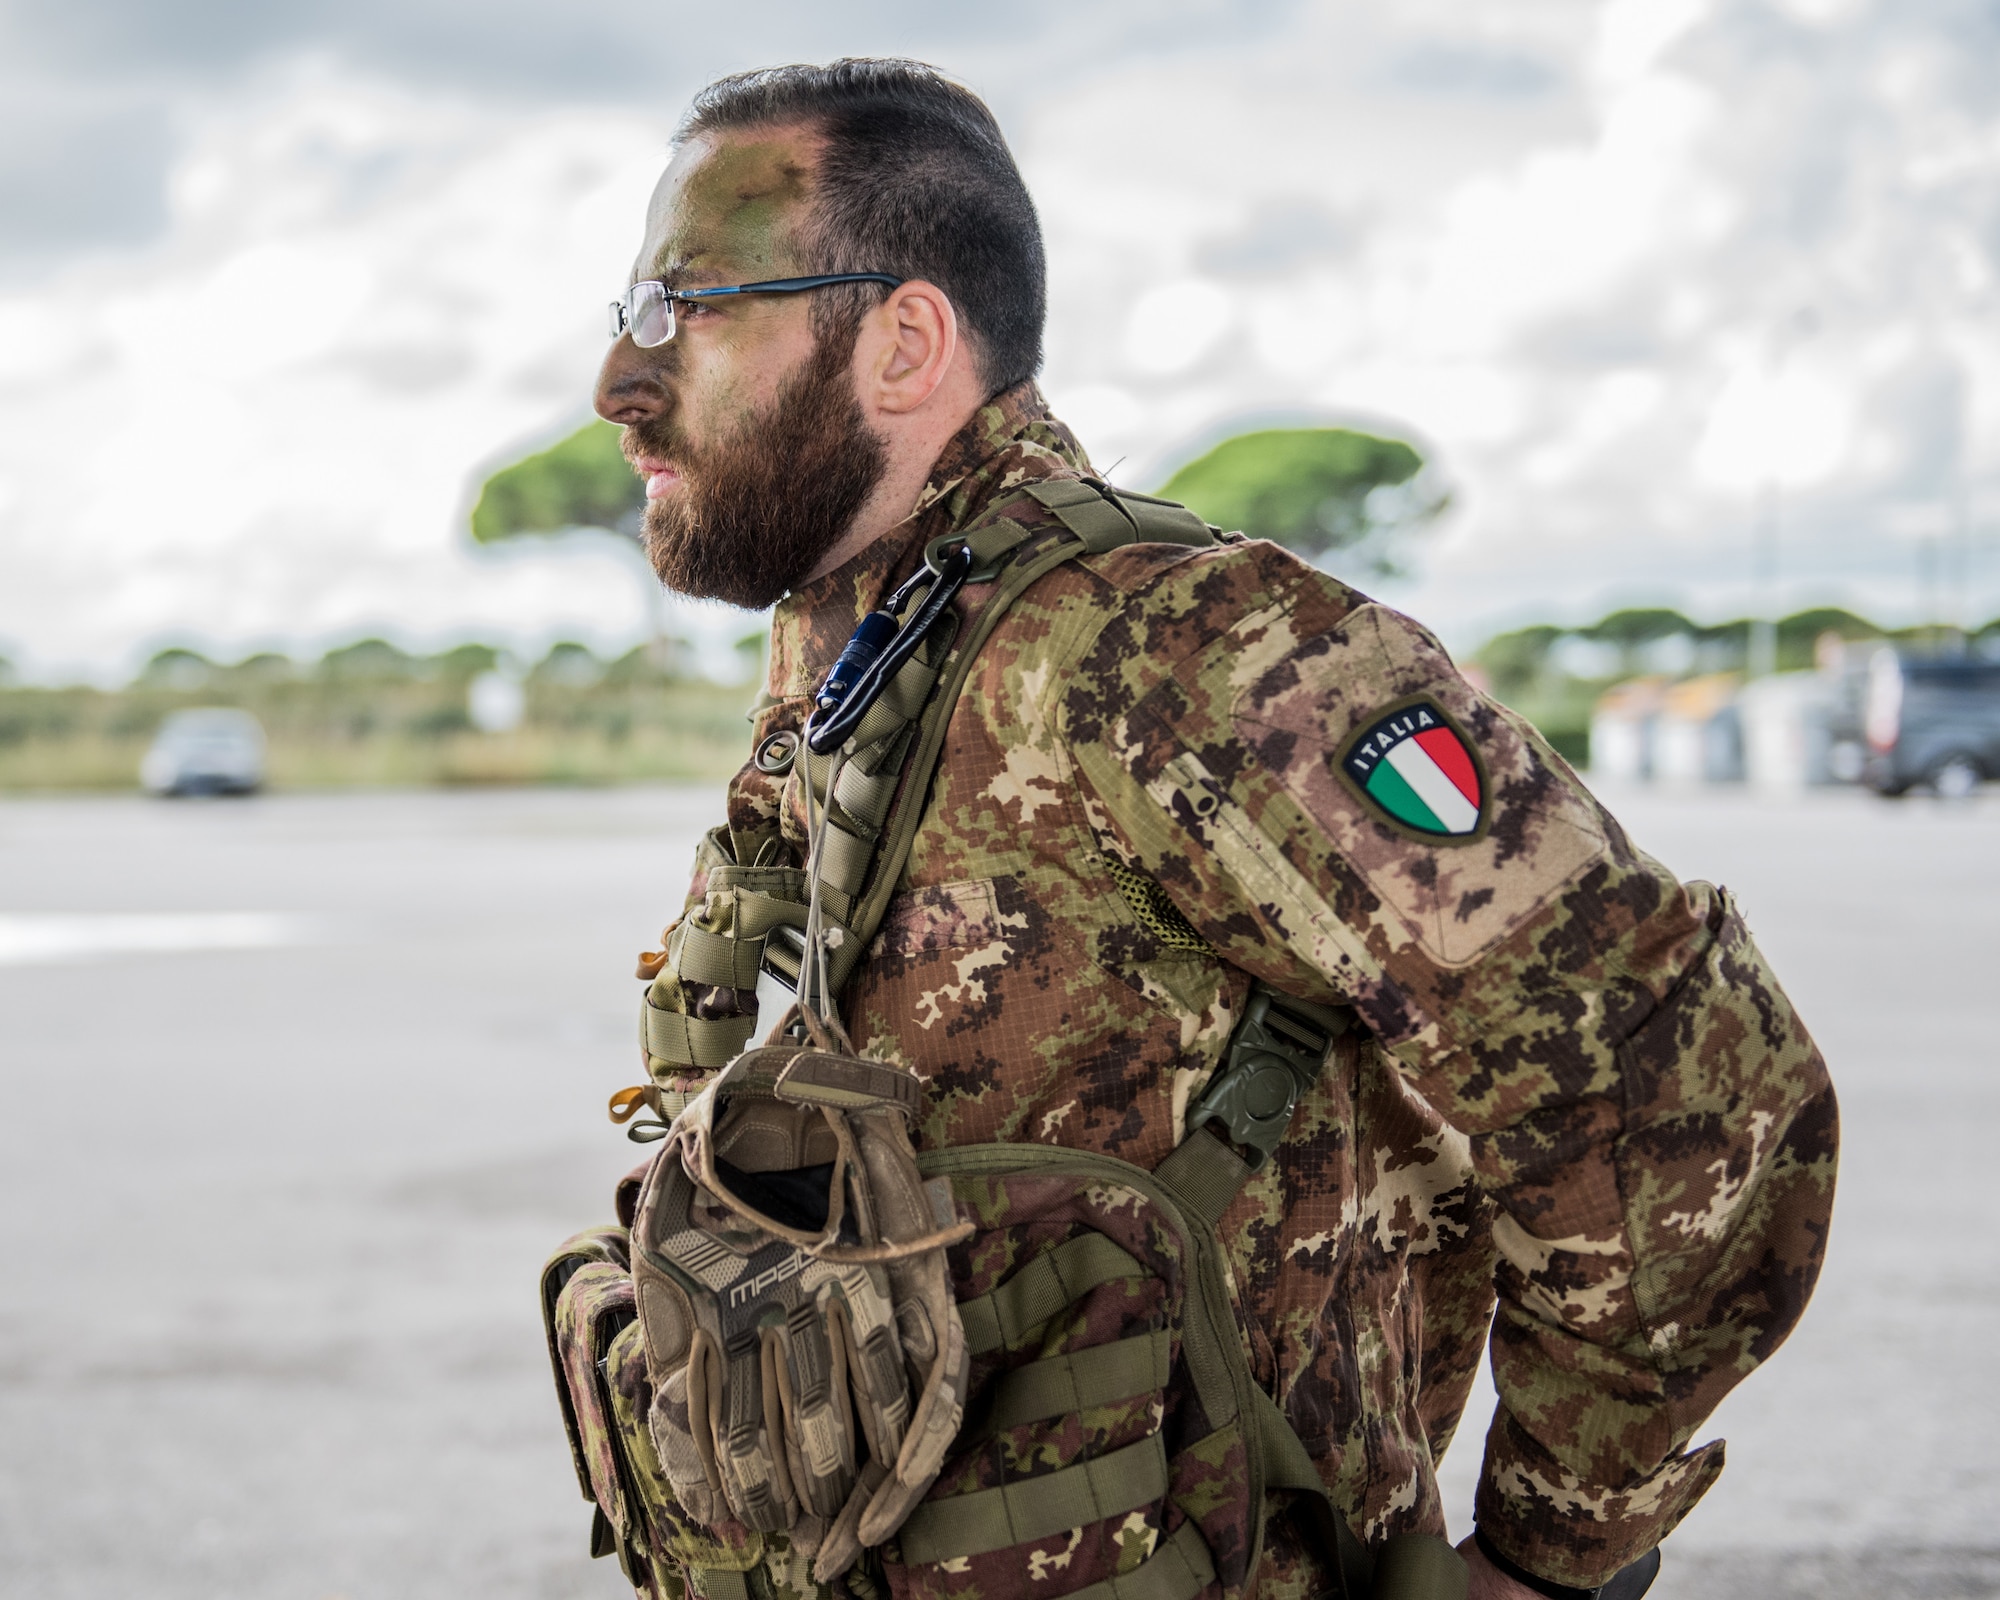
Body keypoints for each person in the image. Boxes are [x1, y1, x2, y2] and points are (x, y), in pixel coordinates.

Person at [588, 57, 1837, 1600]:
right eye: (625, 315)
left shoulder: (1182, 654)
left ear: (902, 341)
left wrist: (1544, 1556)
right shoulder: (871, 649)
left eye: (685, 310)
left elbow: (1687, 1089)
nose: (618, 387)